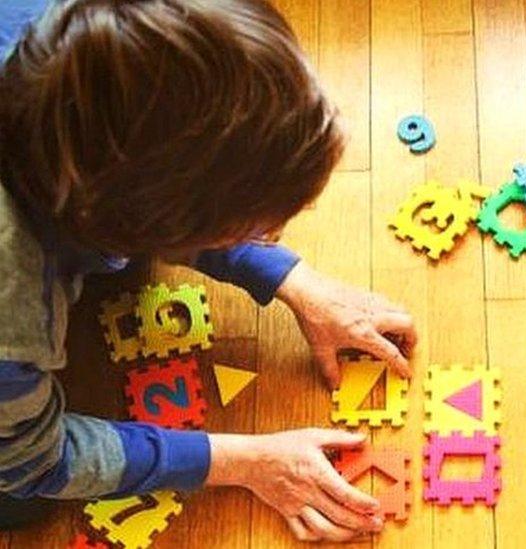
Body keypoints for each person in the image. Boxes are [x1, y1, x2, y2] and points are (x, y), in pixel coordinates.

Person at [0, 0, 416, 542]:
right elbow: (32, 461)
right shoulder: (12, 320)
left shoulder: (93, 44)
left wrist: (296, 283)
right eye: (256, 229)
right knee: (18, 504)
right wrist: (248, 460)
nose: (276, 239)